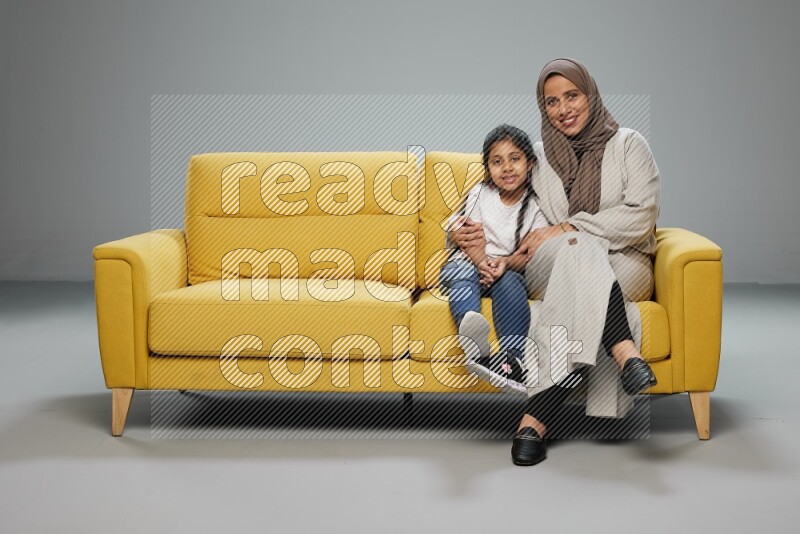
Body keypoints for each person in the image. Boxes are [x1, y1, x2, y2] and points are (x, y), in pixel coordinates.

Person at [451, 58, 660, 466]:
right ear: (542, 107)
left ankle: (537, 417)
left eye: (572, 96)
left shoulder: (629, 144)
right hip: (552, 263)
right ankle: (624, 352)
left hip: (625, 259)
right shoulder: (537, 157)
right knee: (577, 252)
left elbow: (642, 214)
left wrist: (567, 227)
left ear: (590, 95)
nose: (563, 109)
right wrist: (458, 233)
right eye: (551, 101)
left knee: (580, 258)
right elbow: (495, 199)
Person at [439, 124, 549, 394]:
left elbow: (527, 254)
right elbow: (467, 236)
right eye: (497, 162)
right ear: (488, 169)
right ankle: (471, 330)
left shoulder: (535, 206)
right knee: (458, 272)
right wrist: (481, 263)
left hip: (505, 269)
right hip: (470, 261)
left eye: (515, 159)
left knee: (512, 285)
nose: (507, 168)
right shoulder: (480, 193)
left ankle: (512, 359)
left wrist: (504, 265)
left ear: (530, 164)